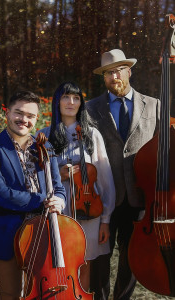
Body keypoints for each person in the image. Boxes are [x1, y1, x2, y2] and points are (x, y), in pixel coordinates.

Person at [0, 91, 66, 300]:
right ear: (7, 113)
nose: (24, 120)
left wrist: (59, 201)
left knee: (42, 292)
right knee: (11, 294)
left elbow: (57, 187)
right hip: (8, 233)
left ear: (37, 119)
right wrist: (42, 201)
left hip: (43, 231)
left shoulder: (45, 147)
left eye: (30, 116)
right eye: (18, 113)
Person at [86, 49, 160, 300]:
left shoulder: (154, 105)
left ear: (129, 71)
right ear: (104, 78)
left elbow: (163, 149)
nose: (114, 75)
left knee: (132, 257)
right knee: (100, 257)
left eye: (118, 69)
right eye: (108, 72)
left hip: (141, 194)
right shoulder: (89, 108)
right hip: (104, 195)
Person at [37, 82, 115, 292]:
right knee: (59, 265)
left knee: (85, 265)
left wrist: (105, 220)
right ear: (57, 101)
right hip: (58, 211)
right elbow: (34, 177)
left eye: (76, 98)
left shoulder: (92, 134)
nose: (71, 103)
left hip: (89, 210)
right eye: (65, 97)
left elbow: (105, 179)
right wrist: (58, 174)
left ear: (81, 102)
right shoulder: (44, 135)